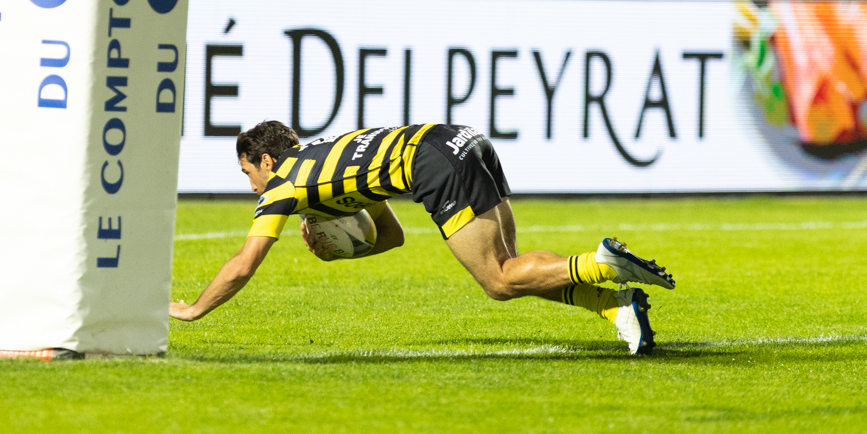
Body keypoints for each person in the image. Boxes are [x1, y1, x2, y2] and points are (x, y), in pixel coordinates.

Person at [170, 121, 675, 356]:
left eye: (247, 173)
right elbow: (391, 236)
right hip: (460, 139)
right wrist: (348, 253)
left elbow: (243, 263)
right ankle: (617, 306)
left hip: (434, 163)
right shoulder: (323, 157)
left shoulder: (283, 184)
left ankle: (601, 262)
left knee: (498, 281)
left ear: (266, 160)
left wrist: (193, 309)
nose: (251, 186)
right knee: (511, 268)